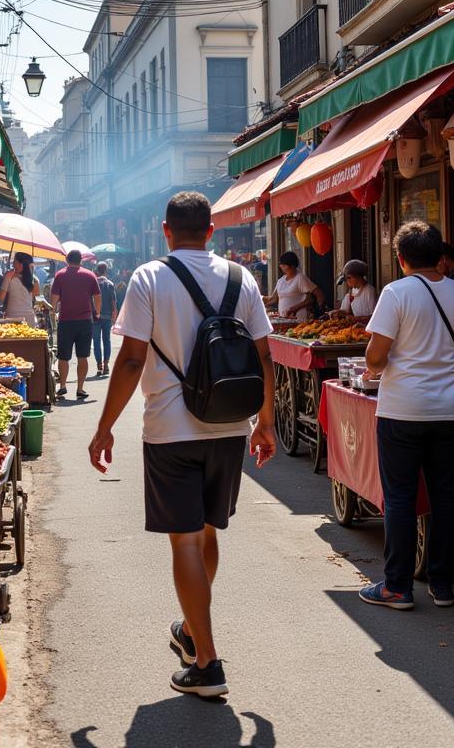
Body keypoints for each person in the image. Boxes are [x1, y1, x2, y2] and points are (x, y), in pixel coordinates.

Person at [87, 191, 275, 698]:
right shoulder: (243, 278)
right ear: (211, 230)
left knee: (186, 541)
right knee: (208, 535)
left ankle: (207, 665)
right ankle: (192, 631)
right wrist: (267, 422)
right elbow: (264, 356)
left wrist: (104, 426)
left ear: (165, 231)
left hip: (171, 429)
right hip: (231, 425)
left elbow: (129, 360)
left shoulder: (150, 277)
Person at [360, 221, 454, 610]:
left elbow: (375, 357)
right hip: (450, 410)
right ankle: (442, 585)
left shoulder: (396, 292)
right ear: (440, 256)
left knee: (399, 499)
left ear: (400, 258)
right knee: (445, 497)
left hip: (403, 410)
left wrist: (378, 367)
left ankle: (398, 586)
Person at [51, 249, 101, 399]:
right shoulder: (90, 275)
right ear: (81, 260)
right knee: (82, 356)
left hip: (66, 321)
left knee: (63, 356)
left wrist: (53, 313)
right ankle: (80, 388)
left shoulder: (60, 275)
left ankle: (63, 386)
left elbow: (54, 298)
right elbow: (97, 297)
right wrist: (97, 313)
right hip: (85, 321)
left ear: (67, 260)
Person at [263, 251, 324, 319]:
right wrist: (262, 305)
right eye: (281, 264)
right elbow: (273, 298)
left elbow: (317, 295)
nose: (281, 266)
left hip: (298, 319)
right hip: (284, 319)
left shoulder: (300, 278)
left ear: (292, 266)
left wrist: (294, 308)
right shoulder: (280, 281)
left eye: (283, 264)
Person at [0, 251, 40, 325]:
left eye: (14, 261)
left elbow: (1, 297)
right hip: (29, 318)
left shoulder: (9, 276)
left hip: (12, 317)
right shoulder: (34, 279)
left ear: (20, 264)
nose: (13, 263)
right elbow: (35, 295)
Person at [93, 262, 117, 376]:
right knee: (106, 340)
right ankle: (106, 364)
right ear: (106, 271)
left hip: (95, 317)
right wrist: (114, 314)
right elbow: (113, 301)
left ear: (97, 271)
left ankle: (99, 365)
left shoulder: (94, 283)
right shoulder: (110, 284)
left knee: (97, 341)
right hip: (107, 316)